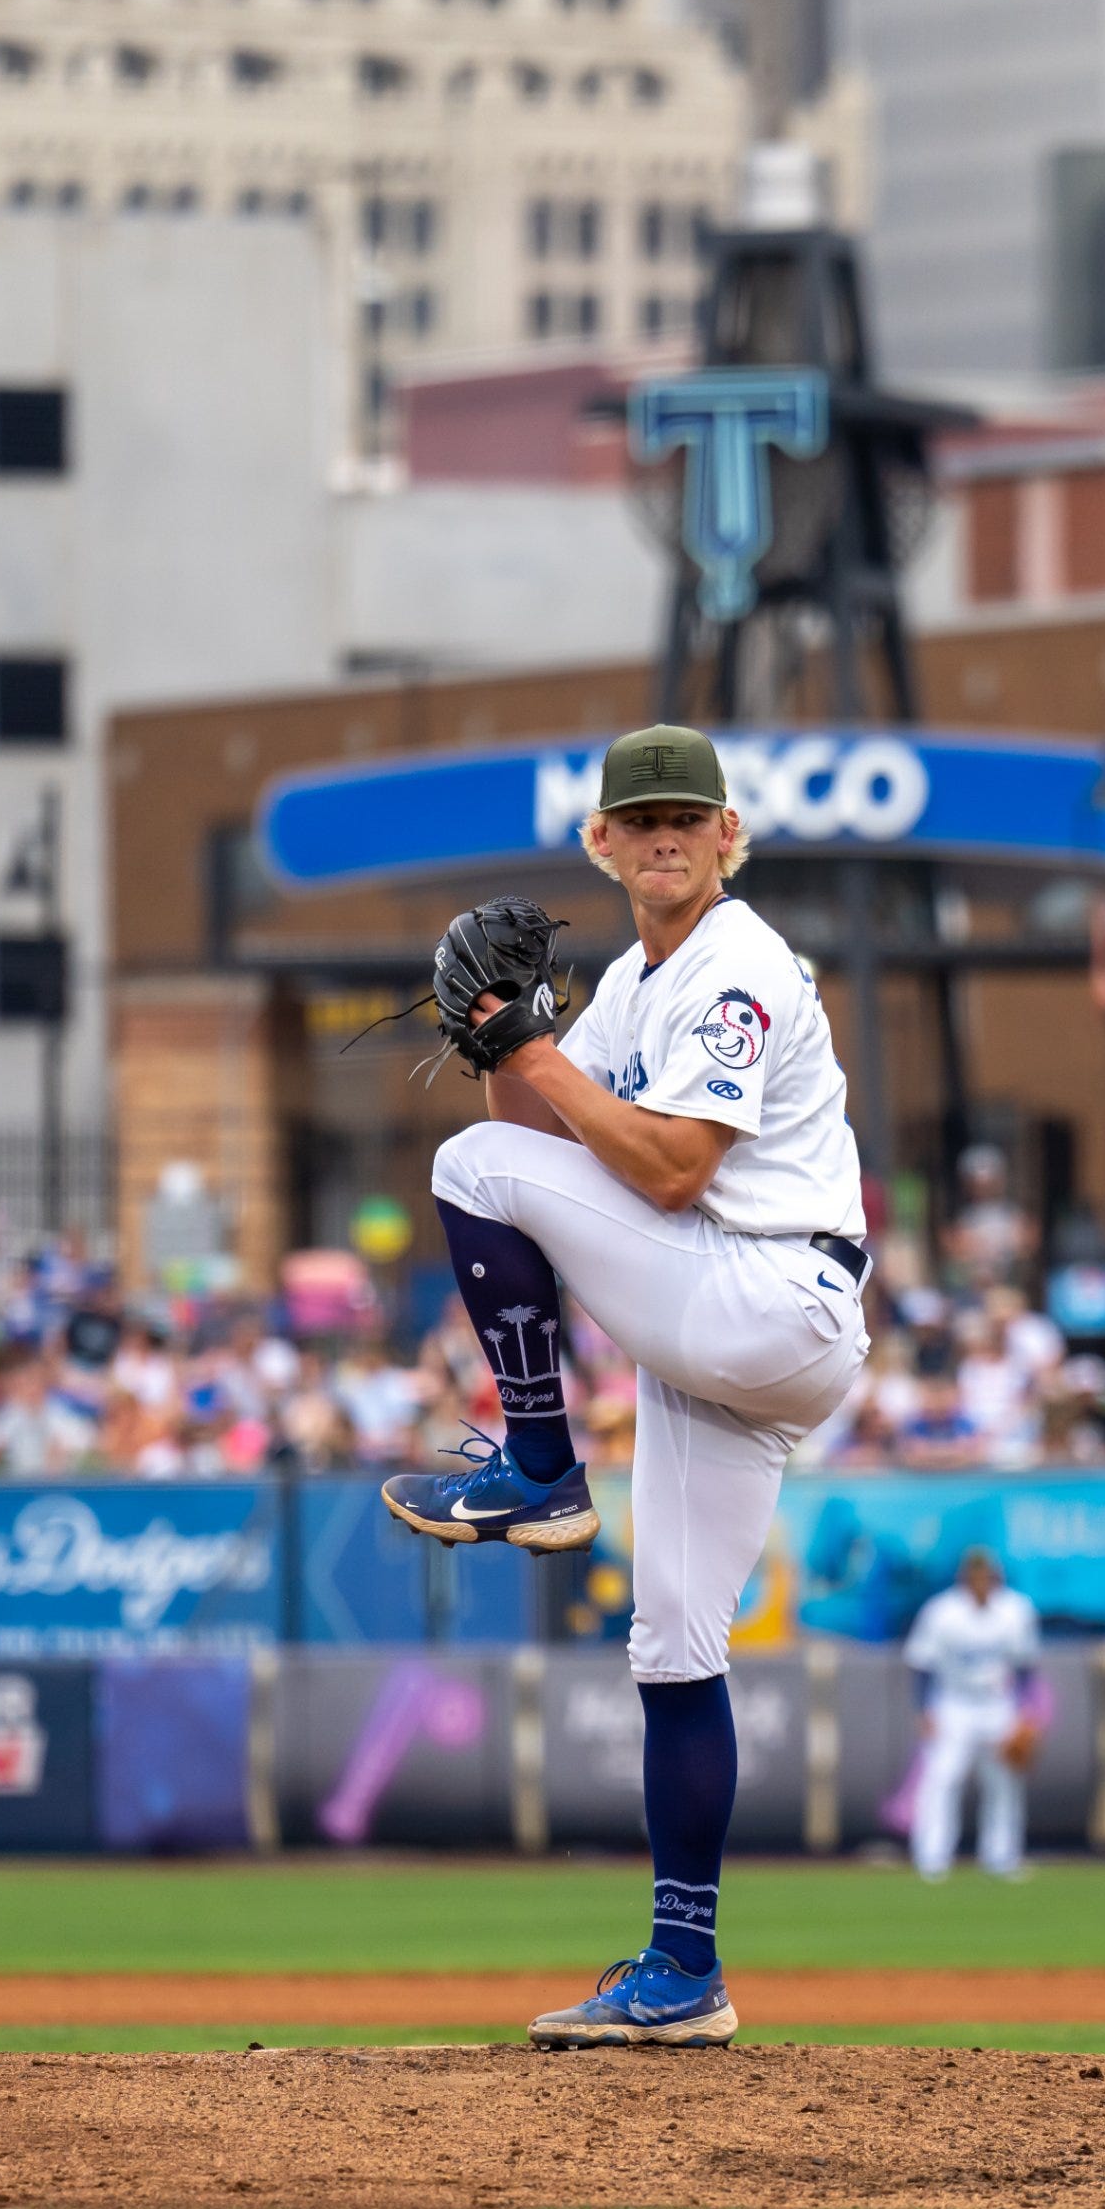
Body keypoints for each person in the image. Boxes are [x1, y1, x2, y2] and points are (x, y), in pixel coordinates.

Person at [382, 725, 873, 2051]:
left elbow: (665, 1173)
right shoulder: (636, 983)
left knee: (468, 1170)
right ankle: (684, 1966)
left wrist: (528, 1064)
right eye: (637, 819)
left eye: (686, 817)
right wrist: (502, 1035)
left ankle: (540, 1461)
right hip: (727, 1329)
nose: (663, 836)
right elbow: (562, 1120)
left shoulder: (735, 963)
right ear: (599, 842)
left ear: (728, 835)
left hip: (766, 1290)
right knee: (673, 1643)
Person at [902, 1548, 1041, 1883]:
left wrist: (1024, 1711)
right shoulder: (942, 1611)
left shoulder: (1015, 1609)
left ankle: (1001, 1856)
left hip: (998, 1703)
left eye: (987, 1574)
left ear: (995, 1577)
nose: (981, 1580)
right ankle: (932, 1858)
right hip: (954, 1702)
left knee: (1004, 1783)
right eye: (975, 1574)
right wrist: (925, 1710)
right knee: (943, 1778)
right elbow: (921, 1664)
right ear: (964, 1577)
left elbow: (1024, 1666)